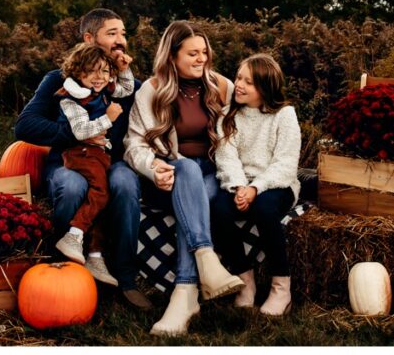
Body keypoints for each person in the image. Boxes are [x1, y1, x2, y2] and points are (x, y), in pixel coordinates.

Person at [15, 8, 151, 310]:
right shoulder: (59, 81)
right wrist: (75, 133)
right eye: (112, 34)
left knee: (125, 182)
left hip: (111, 161)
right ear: (89, 38)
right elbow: (24, 126)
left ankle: (125, 277)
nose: (121, 41)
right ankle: (65, 273)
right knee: (73, 185)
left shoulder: (128, 87)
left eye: (124, 34)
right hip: (69, 160)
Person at [125, 20, 245, 336]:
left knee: (197, 187)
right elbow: (134, 143)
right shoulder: (150, 91)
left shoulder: (223, 87)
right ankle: (206, 260)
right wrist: (153, 168)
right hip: (169, 178)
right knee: (187, 169)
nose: (201, 59)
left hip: (213, 175)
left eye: (204, 52)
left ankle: (186, 291)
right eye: (192, 53)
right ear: (172, 56)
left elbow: (239, 137)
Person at [212, 54, 301, 316]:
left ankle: (281, 287)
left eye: (248, 82)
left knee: (264, 209)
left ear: (264, 87)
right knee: (218, 209)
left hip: (276, 184)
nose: (238, 85)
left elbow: (285, 163)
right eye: (239, 77)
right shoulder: (228, 115)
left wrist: (255, 188)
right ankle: (245, 281)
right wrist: (240, 187)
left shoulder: (284, 115)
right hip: (240, 182)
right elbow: (226, 157)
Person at [51, 43, 134, 286]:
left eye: (105, 71)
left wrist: (123, 68)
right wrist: (107, 119)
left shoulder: (103, 89)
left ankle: (95, 255)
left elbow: (126, 88)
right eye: (92, 71)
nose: (99, 78)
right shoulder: (70, 99)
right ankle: (73, 235)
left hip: (96, 153)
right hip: (80, 153)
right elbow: (79, 131)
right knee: (101, 192)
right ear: (78, 71)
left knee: (99, 198)